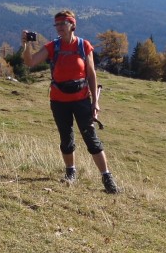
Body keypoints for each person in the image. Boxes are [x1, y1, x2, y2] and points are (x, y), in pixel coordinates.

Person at [22, 11, 120, 193]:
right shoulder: (53, 47)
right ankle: (70, 173)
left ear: (72, 25)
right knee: (66, 139)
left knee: (91, 138)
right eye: (56, 25)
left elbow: (91, 74)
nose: (59, 28)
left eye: (63, 24)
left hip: (81, 100)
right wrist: (26, 44)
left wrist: (95, 102)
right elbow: (30, 62)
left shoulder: (84, 46)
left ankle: (107, 178)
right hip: (59, 101)